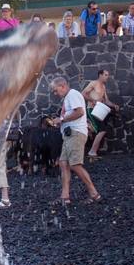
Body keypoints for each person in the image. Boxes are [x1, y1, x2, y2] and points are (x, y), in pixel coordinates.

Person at [49, 76, 102, 206]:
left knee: (75, 165)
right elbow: (73, 113)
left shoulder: (72, 94)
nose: (55, 94)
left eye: (56, 90)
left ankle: (94, 194)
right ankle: (65, 197)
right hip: (70, 134)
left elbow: (80, 112)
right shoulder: (69, 97)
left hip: (76, 134)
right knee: (63, 163)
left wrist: (61, 120)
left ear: (63, 86)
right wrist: (60, 121)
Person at [82, 69, 119, 159]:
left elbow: (106, 100)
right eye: (106, 75)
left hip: (99, 110)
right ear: (100, 75)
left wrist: (114, 105)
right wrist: (93, 100)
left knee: (100, 130)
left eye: (108, 75)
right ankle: (92, 151)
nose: (107, 77)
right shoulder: (93, 83)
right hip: (91, 109)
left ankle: (92, 151)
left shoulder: (103, 86)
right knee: (102, 130)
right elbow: (83, 93)